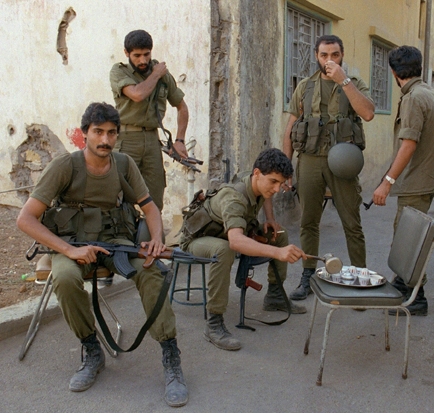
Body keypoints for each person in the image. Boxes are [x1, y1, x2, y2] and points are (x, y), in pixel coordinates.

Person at [16, 103, 188, 407]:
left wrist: (156, 240)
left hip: (115, 242)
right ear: (85, 133)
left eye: (111, 133)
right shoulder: (65, 166)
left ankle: (170, 354)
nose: (105, 140)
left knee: (151, 270)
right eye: (98, 132)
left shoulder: (123, 164)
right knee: (65, 278)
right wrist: (70, 250)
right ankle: (92, 349)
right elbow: (25, 219)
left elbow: (149, 208)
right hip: (72, 244)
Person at [180, 148, 308, 351]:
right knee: (224, 249)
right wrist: (277, 253)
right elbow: (236, 242)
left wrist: (270, 219)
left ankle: (275, 296)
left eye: (281, 183)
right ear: (257, 173)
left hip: (227, 231)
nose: (277, 189)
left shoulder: (256, 179)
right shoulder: (234, 198)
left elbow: (265, 194)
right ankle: (214, 324)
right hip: (199, 239)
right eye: (273, 182)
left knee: (279, 235)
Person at [282, 34, 375, 301]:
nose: (329, 60)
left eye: (335, 54)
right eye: (324, 55)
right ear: (316, 56)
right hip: (310, 159)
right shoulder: (305, 86)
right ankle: (308, 275)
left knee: (351, 222)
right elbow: (290, 128)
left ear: (342, 55)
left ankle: (360, 277)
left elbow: (368, 113)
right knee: (308, 221)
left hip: (342, 161)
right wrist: (286, 168)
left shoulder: (353, 83)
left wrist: (343, 81)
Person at [371, 45, 434, 316]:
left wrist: (387, 182)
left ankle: (415, 298)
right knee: (407, 235)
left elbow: (409, 144)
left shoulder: (413, 97)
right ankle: (403, 285)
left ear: (393, 72)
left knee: (409, 240)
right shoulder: (429, 92)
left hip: (417, 180)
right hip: (426, 178)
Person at [109, 29, 189, 211]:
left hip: (152, 140)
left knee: (154, 198)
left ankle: (152, 229)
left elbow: (182, 107)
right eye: (137, 56)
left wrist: (179, 140)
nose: (143, 60)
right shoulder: (119, 72)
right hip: (126, 139)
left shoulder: (163, 75)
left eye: (146, 54)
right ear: (126, 53)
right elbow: (137, 94)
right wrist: (156, 75)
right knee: (118, 196)